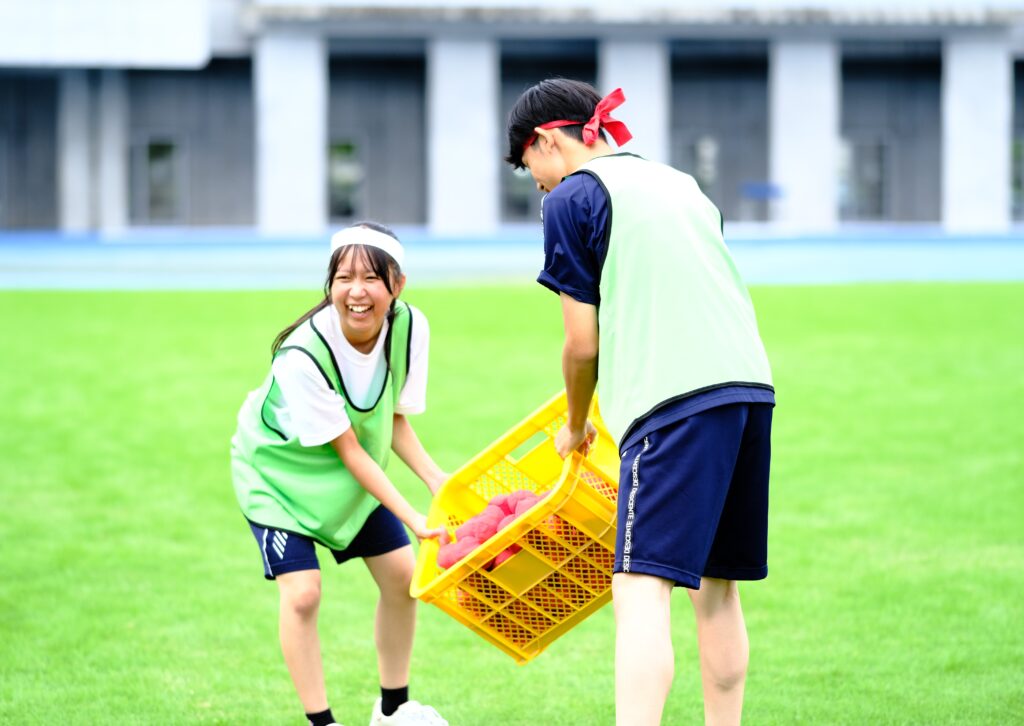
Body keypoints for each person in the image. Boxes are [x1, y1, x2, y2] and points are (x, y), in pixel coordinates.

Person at [504, 79, 775, 725]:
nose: (535, 182)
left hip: (669, 397)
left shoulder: (571, 196)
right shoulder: (680, 182)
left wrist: (575, 424)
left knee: (639, 587)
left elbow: (581, 345)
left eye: (526, 165)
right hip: (748, 386)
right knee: (717, 588)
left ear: (545, 141)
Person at [231, 222, 449, 726]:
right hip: (278, 478)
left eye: (371, 278)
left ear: (398, 284)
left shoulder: (409, 328)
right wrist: (414, 518)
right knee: (303, 594)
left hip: (348, 473)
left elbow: (393, 419)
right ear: (329, 284)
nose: (356, 291)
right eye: (344, 278)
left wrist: (437, 480)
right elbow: (350, 451)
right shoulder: (302, 355)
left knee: (402, 577)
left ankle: (393, 710)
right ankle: (323, 723)